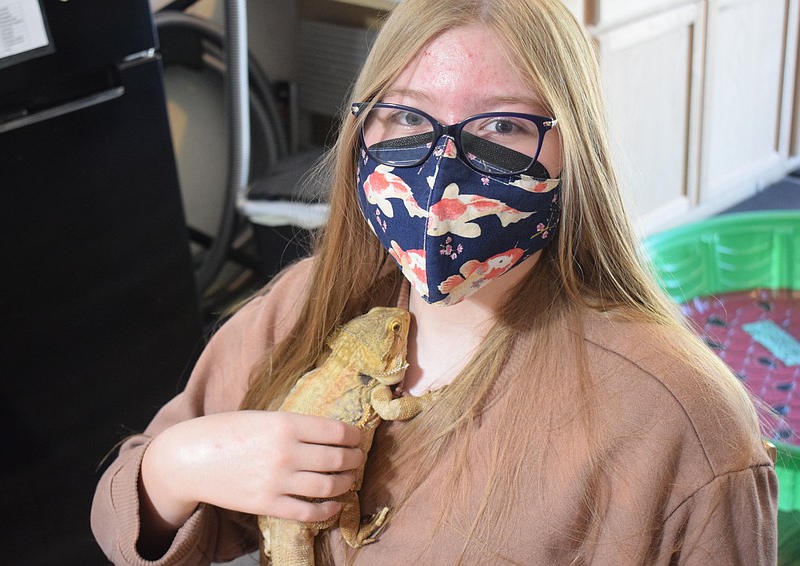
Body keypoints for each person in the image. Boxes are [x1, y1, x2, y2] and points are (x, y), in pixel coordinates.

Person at [91, 0, 778, 564]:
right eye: (407, 117)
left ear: (577, 151)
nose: (442, 169)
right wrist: (181, 464)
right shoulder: (309, 304)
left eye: (503, 124)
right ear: (363, 131)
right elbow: (124, 509)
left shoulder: (678, 422)